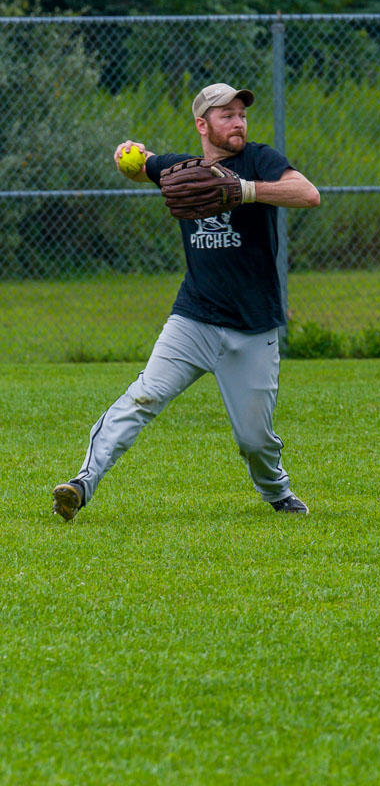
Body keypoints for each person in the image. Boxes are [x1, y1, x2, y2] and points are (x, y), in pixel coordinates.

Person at [52, 82, 320, 521]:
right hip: (193, 318)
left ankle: (276, 491)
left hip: (253, 324)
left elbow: (308, 194)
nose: (238, 122)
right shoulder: (182, 168)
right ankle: (81, 484)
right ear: (203, 124)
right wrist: (130, 155)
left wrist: (245, 190)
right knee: (142, 397)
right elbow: (142, 167)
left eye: (241, 114)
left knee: (255, 439)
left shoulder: (258, 159)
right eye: (226, 115)